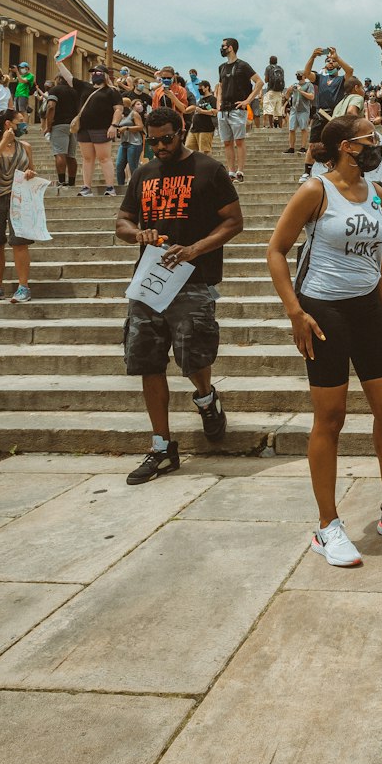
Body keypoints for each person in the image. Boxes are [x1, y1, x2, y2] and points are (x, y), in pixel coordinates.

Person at [265, 113, 382, 567]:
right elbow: (276, 251)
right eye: (371, 138)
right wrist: (295, 312)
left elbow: (377, 257)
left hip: (366, 310)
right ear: (347, 146)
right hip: (324, 311)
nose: (378, 144)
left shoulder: (373, 193)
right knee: (331, 418)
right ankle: (327, 527)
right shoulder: (315, 190)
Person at [116, 106, 244, 483]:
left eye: (166, 139)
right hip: (150, 281)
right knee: (146, 361)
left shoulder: (209, 170)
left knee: (194, 358)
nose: (159, 146)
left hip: (193, 277)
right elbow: (122, 221)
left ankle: (205, 397)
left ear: (181, 130)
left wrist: (196, 248)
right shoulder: (143, 172)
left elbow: (234, 221)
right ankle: (161, 446)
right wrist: (136, 234)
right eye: (152, 140)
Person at [0, 106, 40, 303]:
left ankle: (23, 286)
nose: (23, 124)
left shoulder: (25, 147)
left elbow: (32, 170)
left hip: (18, 198)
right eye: (20, 121)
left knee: (20, 243)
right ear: (8, 124)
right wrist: (4, 142)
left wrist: (30, 174)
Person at [216, 38, 263, 183]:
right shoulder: (222, 67)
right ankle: (231, 171)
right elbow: (221, 85)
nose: (221, 48)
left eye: (223, 46)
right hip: (223, 109)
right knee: (227, 142)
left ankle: (240, 170)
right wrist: (218, 102)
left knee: (239, 141)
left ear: (230, 47)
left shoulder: (243, 65)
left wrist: (248, 100)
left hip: (237, 108)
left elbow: (260, 82)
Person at [73, 65, 122, 197]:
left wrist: (114, 125)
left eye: (98, 72)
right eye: (93, 72)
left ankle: (110, 187)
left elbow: (118, 109)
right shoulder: (85, 87)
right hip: (84, 128)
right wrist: (59, 62)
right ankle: (86, 187)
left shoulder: (112, 91)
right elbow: (68, 78)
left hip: (102, 127)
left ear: (105, 74)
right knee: (87, 158)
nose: (95, 74)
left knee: (104, 157)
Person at [43, 69, 79, 186]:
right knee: (71, 156)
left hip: (59, 124)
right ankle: (72, 182)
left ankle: (62, 181)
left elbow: (51, 106)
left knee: (60, 153)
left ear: (58, 79)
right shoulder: (75, 91)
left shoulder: (55, 90)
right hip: (73, 126)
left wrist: (48, 126)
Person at [114, 94, 146, 188]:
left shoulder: (134, 114)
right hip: (124, 142)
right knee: (119, 165)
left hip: (134, 143)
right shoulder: (120, 116)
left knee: (133, 166)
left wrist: (127, 128)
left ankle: (137, 186)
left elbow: (140, 127)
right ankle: (121, 187)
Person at [185, 80, 217, 155]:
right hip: (195, 129)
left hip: (205, 129)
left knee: (205, 151)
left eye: (200, 87)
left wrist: (202, 111)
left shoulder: (212, 99)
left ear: (206, 88)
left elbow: (215, 112)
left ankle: (206, 166)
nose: (199, 89)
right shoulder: (200, 100)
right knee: (188, 148)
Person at [286, 72, 314, 155]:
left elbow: (311, 96)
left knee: (303, 129)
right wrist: (288, 91)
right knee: (291, 129)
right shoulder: (294, 84)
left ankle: (303, 147)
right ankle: (291, 147)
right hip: (294, 109)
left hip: (304, 110)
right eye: (297, 74)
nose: (298, 76)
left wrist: (301, 91)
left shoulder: (309, 85)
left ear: (305, 76)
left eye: (300, 74)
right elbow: (287, 97)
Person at [263, 56, 286, 127]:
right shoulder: (281, 69)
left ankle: (271, 125)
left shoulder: (268, 68)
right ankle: (281, 126)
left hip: (271, 90)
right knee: (279, 110)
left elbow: (266, 80)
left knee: (270, 109)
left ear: (270, 61)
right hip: (279, 91)